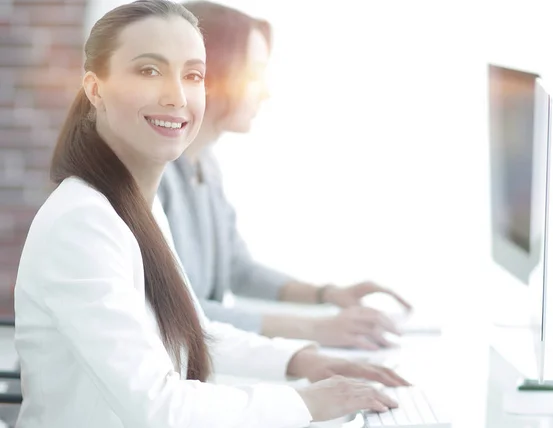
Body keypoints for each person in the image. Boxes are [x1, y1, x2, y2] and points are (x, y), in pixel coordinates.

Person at [12, 1, 409, 427]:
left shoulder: (139, 206)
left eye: (193, 75)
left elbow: (194, 336)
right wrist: (305, 404)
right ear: (95, 89)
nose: (176, 96)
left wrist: (304, 360)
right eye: (149, 70)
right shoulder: (82, 223)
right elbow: (158, 406)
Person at [159, 1, 413, 350]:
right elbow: (181, 314)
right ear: (210, 74)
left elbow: (239, 269)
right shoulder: (155, 179)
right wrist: (316, 329)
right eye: (253, 74)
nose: (265, 92)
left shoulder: (205, 164)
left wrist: (327, 295)